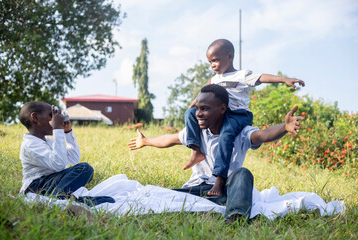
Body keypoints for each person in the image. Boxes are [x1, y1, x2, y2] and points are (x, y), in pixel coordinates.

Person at [128, 84, 304, 223]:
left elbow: (263, 135)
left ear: (222, 109)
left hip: (227, 191)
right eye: (197, 108)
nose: (198, 113)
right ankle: (208, 205)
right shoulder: (196, 132)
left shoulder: (240, 132)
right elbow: (170, 139)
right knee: (159, 196)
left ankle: (235, 219)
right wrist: (146, 141)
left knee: (243, 174)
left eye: (204, 109)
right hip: (198, 188)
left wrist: (284, 127)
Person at [183, 39, 305, 196]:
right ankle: (196, 151)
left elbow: (262, 77)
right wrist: (192, 107)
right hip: (222, 113)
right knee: (189, 113)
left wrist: (284, 80)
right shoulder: (214, 79)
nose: (212, 65)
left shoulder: (241, 75)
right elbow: (203, 95)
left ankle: (220, 179)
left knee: (226, 136)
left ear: (229, 56)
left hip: (238, 115)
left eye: (215, 60)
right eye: (210, 62)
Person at [19, 101, 115, 206]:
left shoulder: (48, 141)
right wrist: (57, 129)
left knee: (108, 200)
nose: (56, 119)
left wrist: (67, 132)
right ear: (35, 118)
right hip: (36, 186)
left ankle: (61, 199)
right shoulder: (30, 145)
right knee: (85, 168)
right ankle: (56, 200)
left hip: (52, 183)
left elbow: (73, 159)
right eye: (52, 115)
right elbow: (58, 165)